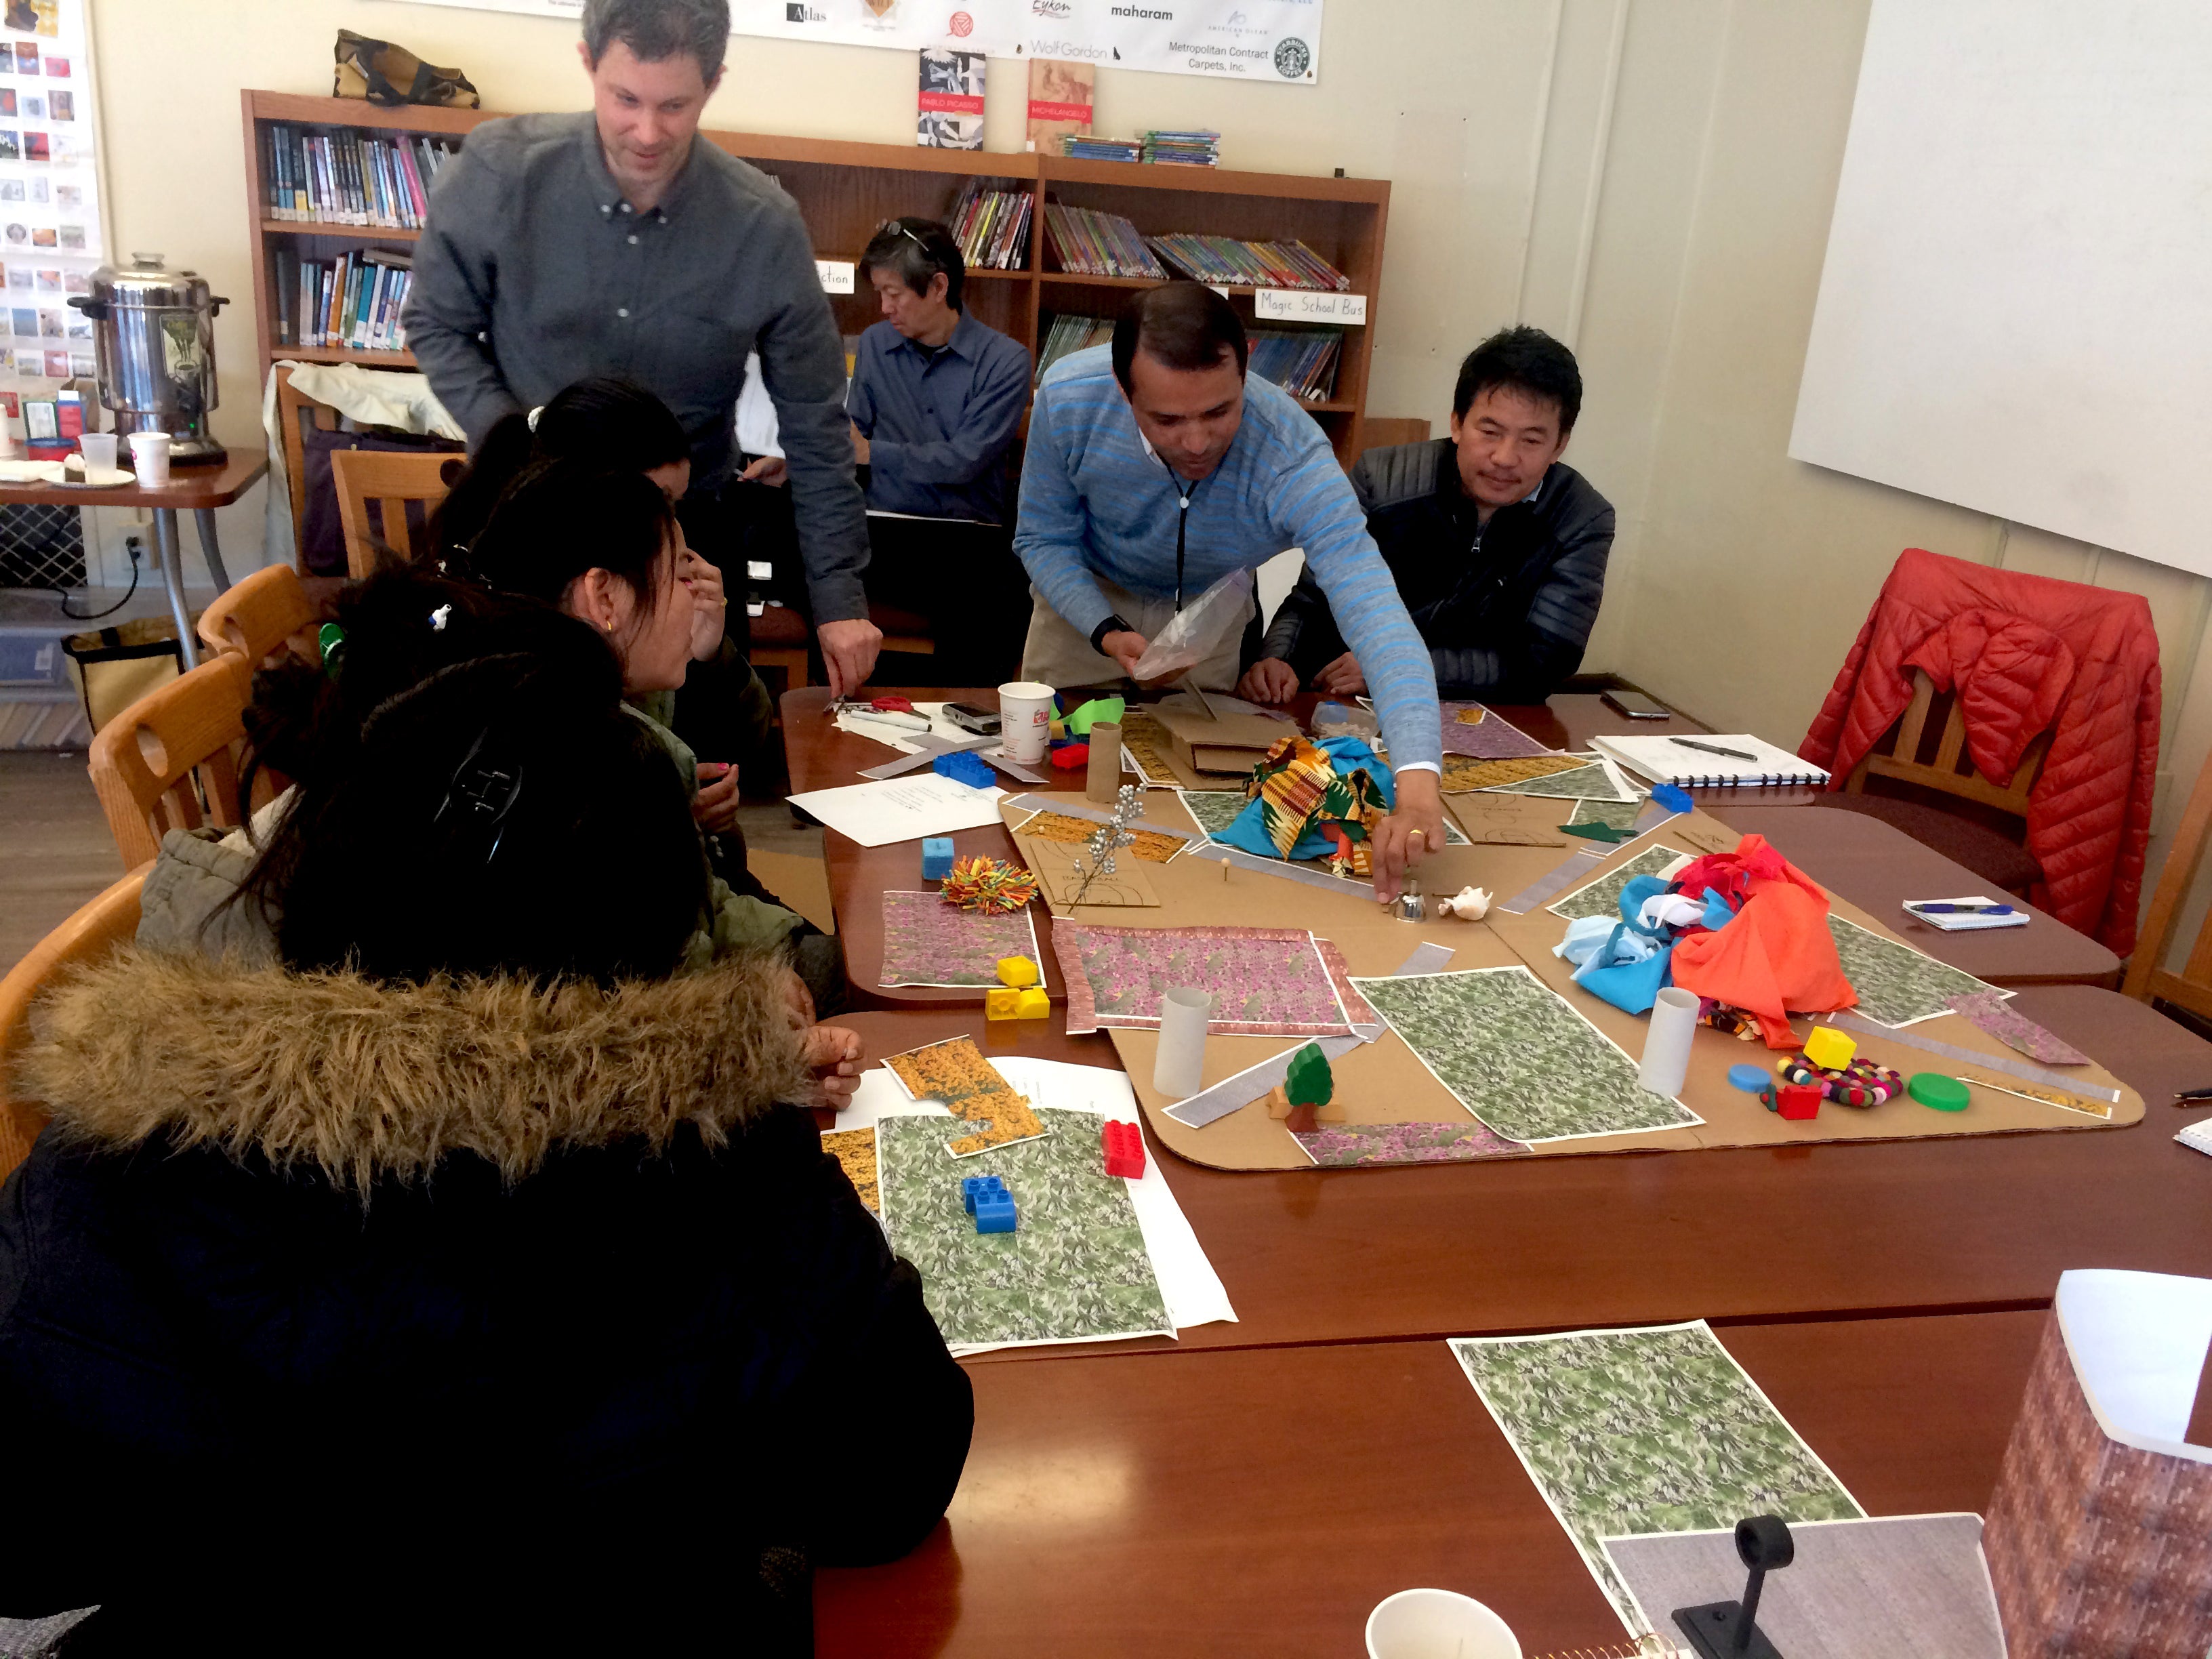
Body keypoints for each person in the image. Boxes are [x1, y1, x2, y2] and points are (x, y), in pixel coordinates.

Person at [0, 596, 970, 1651]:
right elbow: (895, 1486)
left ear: (311, 877)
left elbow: (29, 1546)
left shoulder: (108, 1165)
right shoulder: (728, 1172)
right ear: (656, 943)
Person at [401, 0, 885, 699]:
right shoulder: (501, 173)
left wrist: (839, 599)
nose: (649, 131)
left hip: (689, 542)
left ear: (714, 83)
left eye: (676, 105)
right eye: (625, 99)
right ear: (588, 64)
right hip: (534, 526)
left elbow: (814, 421)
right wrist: (516, 443)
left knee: (713, 774)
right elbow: (436, 324)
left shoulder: (764, 226)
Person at [1015, 281, 1446, 898]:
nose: (1196, 443)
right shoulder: (1067, 397)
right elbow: (1042, 539)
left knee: (1196, 803)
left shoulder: (1292, 453)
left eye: (1219, 412)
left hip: (1211, 613)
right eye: (1166, 419)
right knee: (1055, 784)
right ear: (1121, 389)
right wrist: (1106, 630)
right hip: (1086, 600)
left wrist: (1419, 785)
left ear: (1246, 363)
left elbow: (1375, 608)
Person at [455, 456, 850, 1010]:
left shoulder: (503, 689)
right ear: (605, 598)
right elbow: (664, 1007)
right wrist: (760, 990)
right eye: (678, 576)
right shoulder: (604, 756)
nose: (694, 596)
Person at [430, 375, 772, 865]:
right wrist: (663, 814)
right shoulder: (519, 657)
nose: (676, 534)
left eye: (675, 505)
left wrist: (710, 652)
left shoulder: (620, 617)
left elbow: (732, 750)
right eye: (658, 503)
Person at [1241, 325, 1614, 704]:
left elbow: (1544, 661)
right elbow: (1311, 599)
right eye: (1490, 432)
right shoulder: (1381, 481)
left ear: (1560, 445)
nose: (1505, 458)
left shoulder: (1580, 520)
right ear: (1456, 423)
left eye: (1531, 440)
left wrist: (1394, 667)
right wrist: (1276, 658)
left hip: (1482, 710)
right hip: (1339, 701)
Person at [836, 216, 1033, 680]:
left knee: (994, 601)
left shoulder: (1005, 361)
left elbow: (965, 460)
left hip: (966, 539)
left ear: (939, 286)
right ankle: (840, 721)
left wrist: (872, 453)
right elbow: (850, 436)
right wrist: (797, 462)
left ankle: (963, 729)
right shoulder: (874, 345)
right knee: (817, 565)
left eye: (895, 294)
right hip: (884, 532)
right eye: (879, 293)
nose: (884, 307)